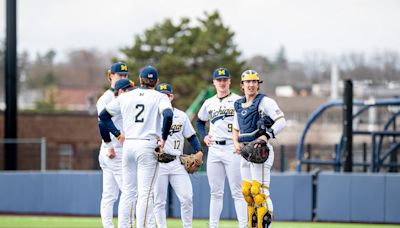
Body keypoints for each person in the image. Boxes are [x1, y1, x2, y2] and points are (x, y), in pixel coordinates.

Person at [99, 66, 173, 228]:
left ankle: (124, 226)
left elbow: (103, 116)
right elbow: (168, 115)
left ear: (139, 80)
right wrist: (164, 138)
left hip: (129, 145)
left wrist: (118, 134)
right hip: (147, 145)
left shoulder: (127, 96)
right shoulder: (159, 96)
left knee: (128, 192)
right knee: (145, 193)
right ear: (157, 81)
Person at [232, 70, 286, 228]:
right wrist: (236, 143)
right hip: (246, 154)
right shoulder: (239, 105)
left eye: (254, 82)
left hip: (261, 152)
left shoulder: (265, 101)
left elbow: (281, 121)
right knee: (247, 192)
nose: (251, 85)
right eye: (247, 82)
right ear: (242, 85)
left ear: (258, 84)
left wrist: (266, 137)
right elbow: (236, 128)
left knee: (259, 192)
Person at [196, 68, 247, 228]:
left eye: (225, 79)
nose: (222, 82)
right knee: (215, 192)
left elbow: (247, 121)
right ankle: (213, 225)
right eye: (219, 80)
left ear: (230, 81)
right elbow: (199, 121)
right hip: (215, 149)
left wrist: (243, 140)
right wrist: (204, 136)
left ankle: (244, 225)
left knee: (237, 191)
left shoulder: (239, 100)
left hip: (233, 147)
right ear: (214, 82)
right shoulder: (209, 102)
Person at [153, 83, 204, 228]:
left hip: (177, 162)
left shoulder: (181, 115)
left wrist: (199, 150)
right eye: (161, 95)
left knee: (187, 197)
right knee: (159, 201)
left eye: (167, 95)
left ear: (171, 97)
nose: (164, 97)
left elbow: (191, 136)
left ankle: (187, 226)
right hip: (158, 163)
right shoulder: (152, 116)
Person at [96, 62, 129, 228]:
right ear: (111, 76)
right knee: (128, 191)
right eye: (119, 75)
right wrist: (109, 145)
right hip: (113, 150)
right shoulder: (106, 98)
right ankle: (126, 225)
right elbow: (102, 124)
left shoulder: (124, 96)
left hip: (115, 150)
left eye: (125, 75)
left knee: (110, 194)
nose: (122, 77)